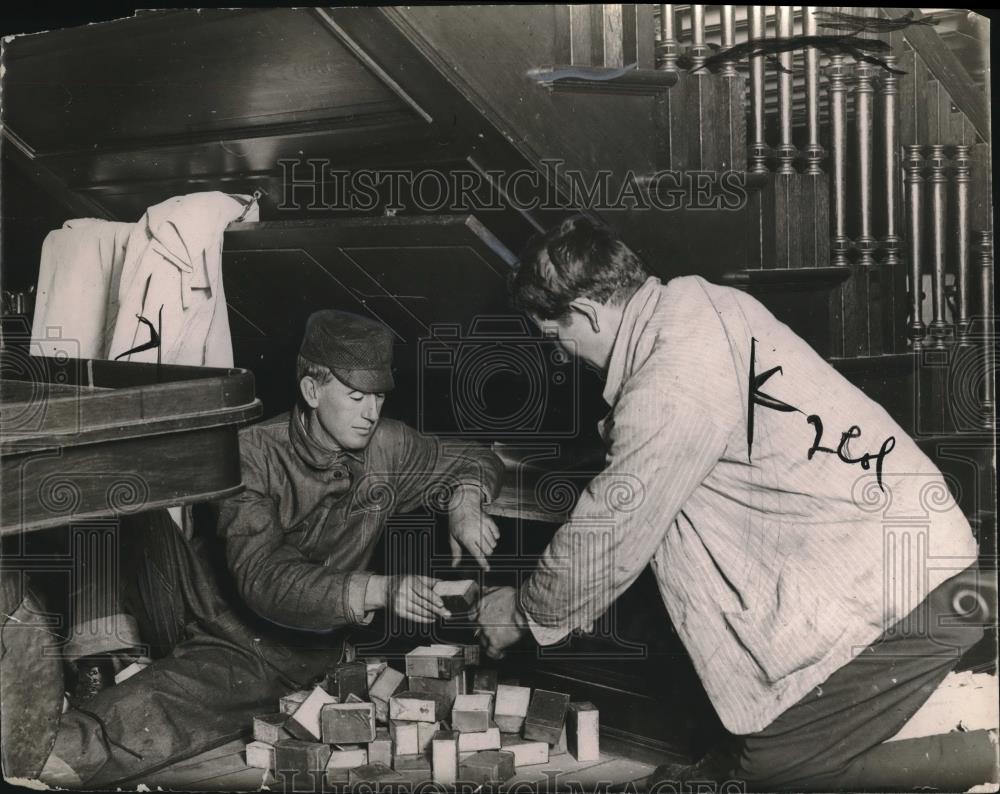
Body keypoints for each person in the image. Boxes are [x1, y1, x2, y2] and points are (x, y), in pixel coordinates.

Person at [474, 216, 986, 790]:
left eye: (555, 337)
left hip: (903, 590)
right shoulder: (701, 303)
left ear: (590, 314)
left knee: (780, 777)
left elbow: (611, 530)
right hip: (918, 559)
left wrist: (523, 611)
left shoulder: (669, 380)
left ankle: (985, 748)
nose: (564, 356)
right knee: (749, 756)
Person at [14, 309, 503, 787]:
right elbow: (265, 578)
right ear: (312, 390)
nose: (371, 413)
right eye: (355, 397)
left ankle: (47, 750)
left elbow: (469, 456)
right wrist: (380, 590)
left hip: (263, 650)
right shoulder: (254, 451)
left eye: (378, 398)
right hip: (190, 598)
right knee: (103, 479)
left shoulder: (388, 446)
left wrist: (464, 501)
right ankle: (99, 659)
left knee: (144, 715)